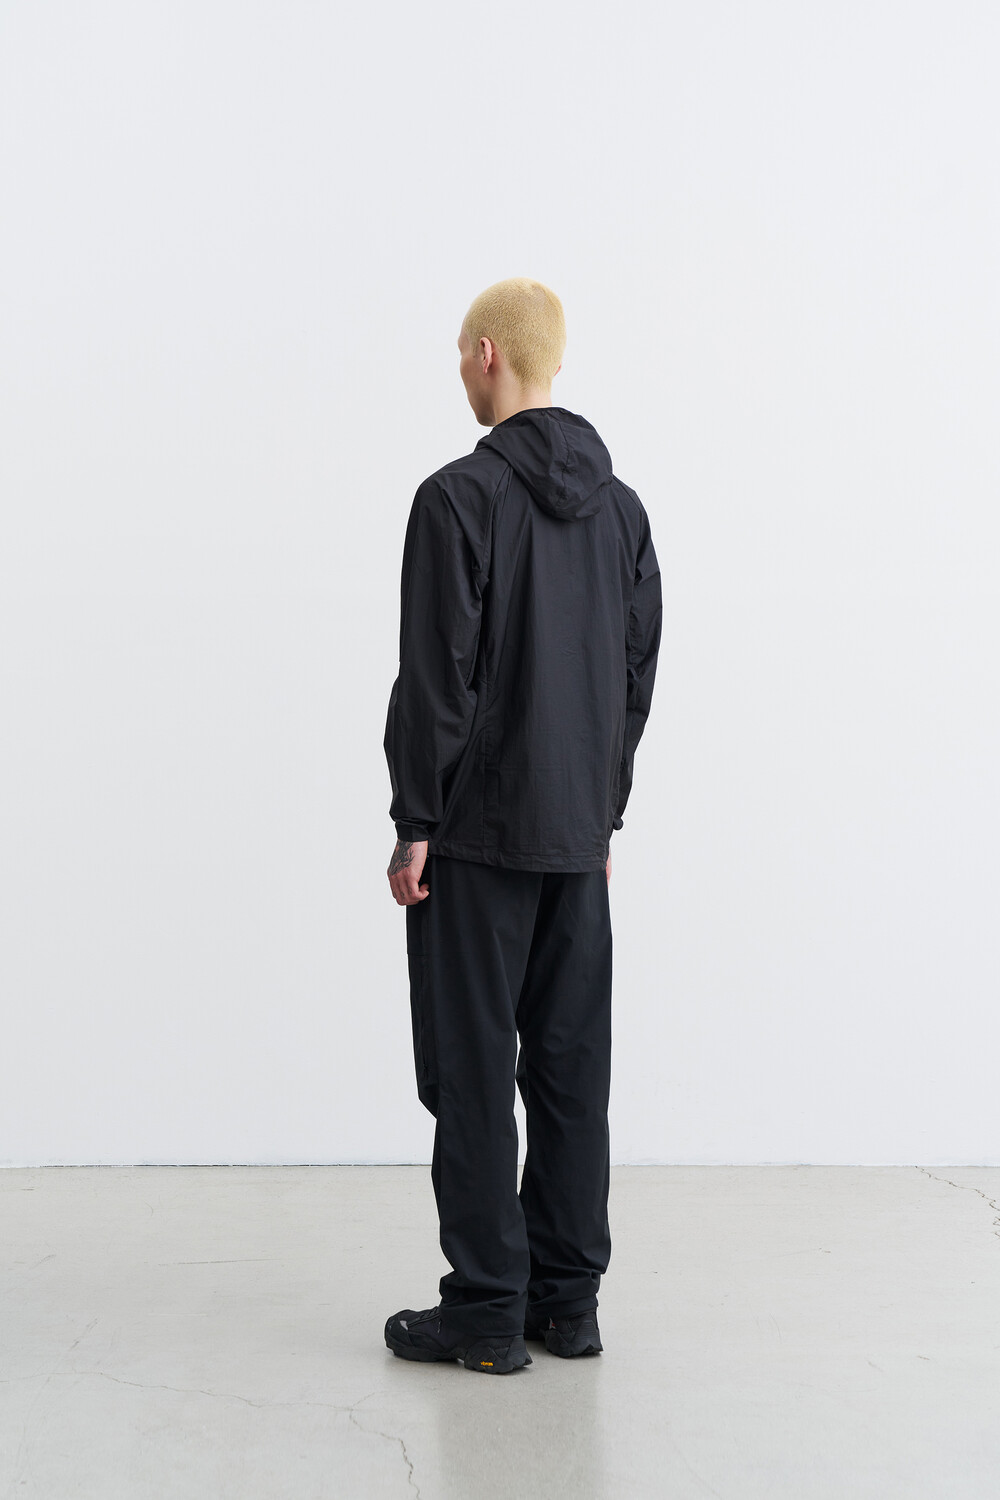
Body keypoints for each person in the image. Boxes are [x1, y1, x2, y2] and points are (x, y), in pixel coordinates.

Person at [381, 277, 662, 1375]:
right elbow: (635, 677)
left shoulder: (456, 498)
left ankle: (488, 1311)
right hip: (576, 841)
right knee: (569, 1070)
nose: (460, 370)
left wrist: (416, 820)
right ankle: (568, 1303)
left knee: (470, 1071)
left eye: (462, 353)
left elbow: (435, 677)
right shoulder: (623, 511)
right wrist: (604, 814)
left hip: (478, 836)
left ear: (489, 353)